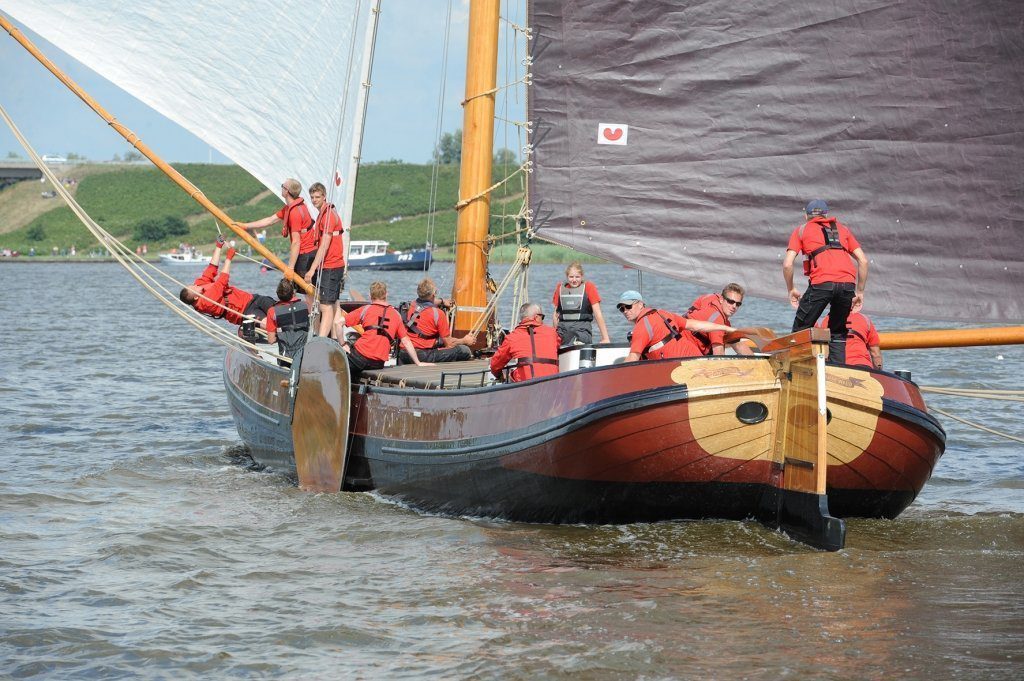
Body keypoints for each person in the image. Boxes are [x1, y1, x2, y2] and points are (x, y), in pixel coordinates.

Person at [782, 199, 869, 364]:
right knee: (837, 332)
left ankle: (798, 370)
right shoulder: (843, 229)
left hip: (822, 283)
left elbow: (787, 264)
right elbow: (863, 261)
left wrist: (791, 289)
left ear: (806, 215)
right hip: (847, 285)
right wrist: (860, 292)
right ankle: (839, 373)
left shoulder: (801, 230)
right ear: (826, 214)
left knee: (801, 330)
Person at [343, 281, 433, 379]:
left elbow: (338, 323)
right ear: (386, 294)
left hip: (359, 357)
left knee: (335, 367)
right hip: (377, 363)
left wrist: (343, 344)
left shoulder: (365, 310)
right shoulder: (396, 315)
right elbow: (406, 341)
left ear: (370, 295)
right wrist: (418, 362)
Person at [179, 237, 275, 327]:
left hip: (251, 298)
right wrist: (228, 258)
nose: (195, 284)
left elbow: (211, 268)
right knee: (266, 323)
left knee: (278, 310)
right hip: (244, 312)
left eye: (192, 285)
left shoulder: (199, 285)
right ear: (196, 297)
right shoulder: (206, 302)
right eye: (194, 287)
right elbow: (222, 281)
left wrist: (218, 246)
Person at [616, 290, 736, 362]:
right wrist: (725, 328)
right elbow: (695, 325)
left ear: (640, 304)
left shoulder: (641, 327)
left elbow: (633, 359)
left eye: (628, 306)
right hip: (696, 360)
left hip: (683, 368)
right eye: (622, 309)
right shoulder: (662, 313)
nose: (625, 311)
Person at [239, 178, 316, 279]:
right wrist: (245, 225)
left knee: (307, 289)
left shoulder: (295, 212)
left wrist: (291, 268)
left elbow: (296, 242)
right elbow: (270, 220)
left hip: (306, 253)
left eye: (282, 186)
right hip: (304, 252)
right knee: (302, 289)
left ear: (287, 191)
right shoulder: (289, 208)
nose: (281, 188)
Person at [398, 278, 477, 364]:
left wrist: (442, 301)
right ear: (434, 294)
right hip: (422, 355)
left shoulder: (411, 305)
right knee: (464, 350)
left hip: (405, 352)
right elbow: (449, 344)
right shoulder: (438, 314)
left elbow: (427, 301)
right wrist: (465, 340)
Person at [304, 182, 347, 338]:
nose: (315, 200)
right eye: (312, 197)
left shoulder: (328, 216)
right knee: (333, 303)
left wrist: (311, 269)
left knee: (325, 305)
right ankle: (336, 339)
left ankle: (321, 340)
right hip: (332, 265)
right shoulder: (324, 213)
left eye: (317, 197)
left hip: (331, 265)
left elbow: (324, 246)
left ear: (324, 197)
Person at [490, 303, 562, 382]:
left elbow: (495, 365)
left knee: (512, 375)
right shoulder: (552, 333)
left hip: (526, 385)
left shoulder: (512, 337)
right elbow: (559, 347)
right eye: (542, 317)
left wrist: (499, 375)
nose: (543, 320)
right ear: (536, 317)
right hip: (553, 383)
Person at [681, 283, 754, 356]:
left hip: (677, 332)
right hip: (682, 348)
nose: (734, 306)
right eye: (730, 302)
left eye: (738, 304)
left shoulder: (711, 297)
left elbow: (738, 345)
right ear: (722, 299)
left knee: (731, 336)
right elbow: (718, 355)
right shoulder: (717, 323)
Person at [551, 262, 610, 345]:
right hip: (563, 332)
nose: (574, 280)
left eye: (577, 277)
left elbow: (597, 313)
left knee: (580, 342)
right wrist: (554, 337)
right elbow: (555, 315)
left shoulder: (589, 287)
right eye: (571, 277)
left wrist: (605, 338)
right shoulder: (560, 288)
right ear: (567, 276)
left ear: (582, 276)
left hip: (582, 331)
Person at [816, 298, 882, 370]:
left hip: (836, 368)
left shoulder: (822, 322)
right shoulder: (865, 320)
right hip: (863, 366)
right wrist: (879, 375)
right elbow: (876, 355)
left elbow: (818, 353)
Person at [265, 278, 310, 366]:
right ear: (293, 293)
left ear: (278, 295)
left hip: (286, 358)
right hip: (304, 355)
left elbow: (271, 340)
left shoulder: (272, 311)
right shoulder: (306, 306)